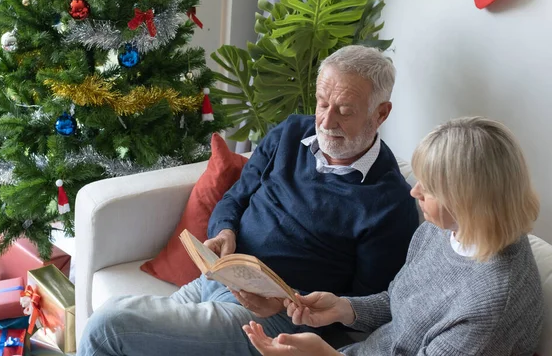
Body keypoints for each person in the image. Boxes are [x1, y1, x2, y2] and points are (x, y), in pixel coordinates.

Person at [78, 45, 419, 356]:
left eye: (344, 110)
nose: (326, 122)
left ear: (381, 114)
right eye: (322, 103)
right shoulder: (291, 133)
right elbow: (236, 196)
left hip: (270, 318)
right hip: (219, 278)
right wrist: (224, 230)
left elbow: (364, 311)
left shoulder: (389, 203)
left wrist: (286, 304)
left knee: (109, 325)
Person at [243, 116, 544, 356]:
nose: (415, 192)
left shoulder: (490, 304)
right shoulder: (439, 230)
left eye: (430, 188)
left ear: (470, 199)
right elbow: (401, 301)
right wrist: (344, 308)